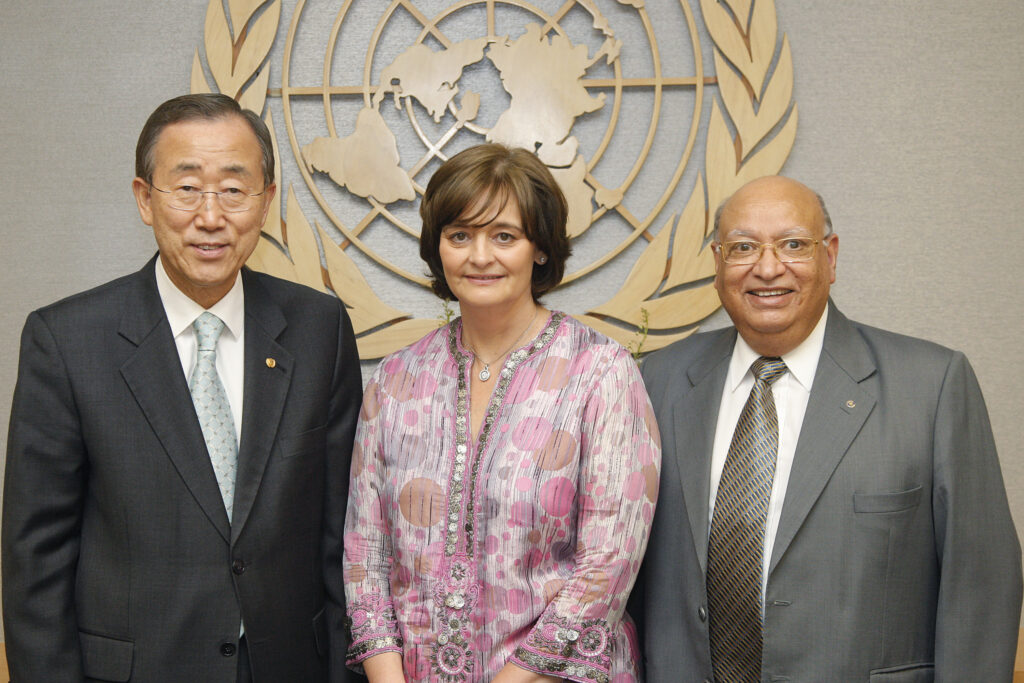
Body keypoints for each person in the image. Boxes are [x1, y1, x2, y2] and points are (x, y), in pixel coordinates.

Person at [2, 93, 363, 681]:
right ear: (146, 199)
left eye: (234, 189)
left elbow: (342, 537)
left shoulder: (318, 329)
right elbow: (34, 562)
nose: (211, 216)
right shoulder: (66, 340)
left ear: (266, 202)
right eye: (187, 188)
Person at [631, 174, 1023, 681]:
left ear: (830, 257)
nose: (768, 268)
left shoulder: (932, 386)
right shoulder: (659, 380)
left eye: (794, 245)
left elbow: (983, 585)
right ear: (717, 263)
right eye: (743, 247)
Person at [341, 143, 660, 683]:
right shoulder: (395, 380)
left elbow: (606, 566)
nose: (479, 256)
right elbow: (364, 555)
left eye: (504, 236)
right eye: (460, 235)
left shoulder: (600, 373)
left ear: (540, 248)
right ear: (437, 246)